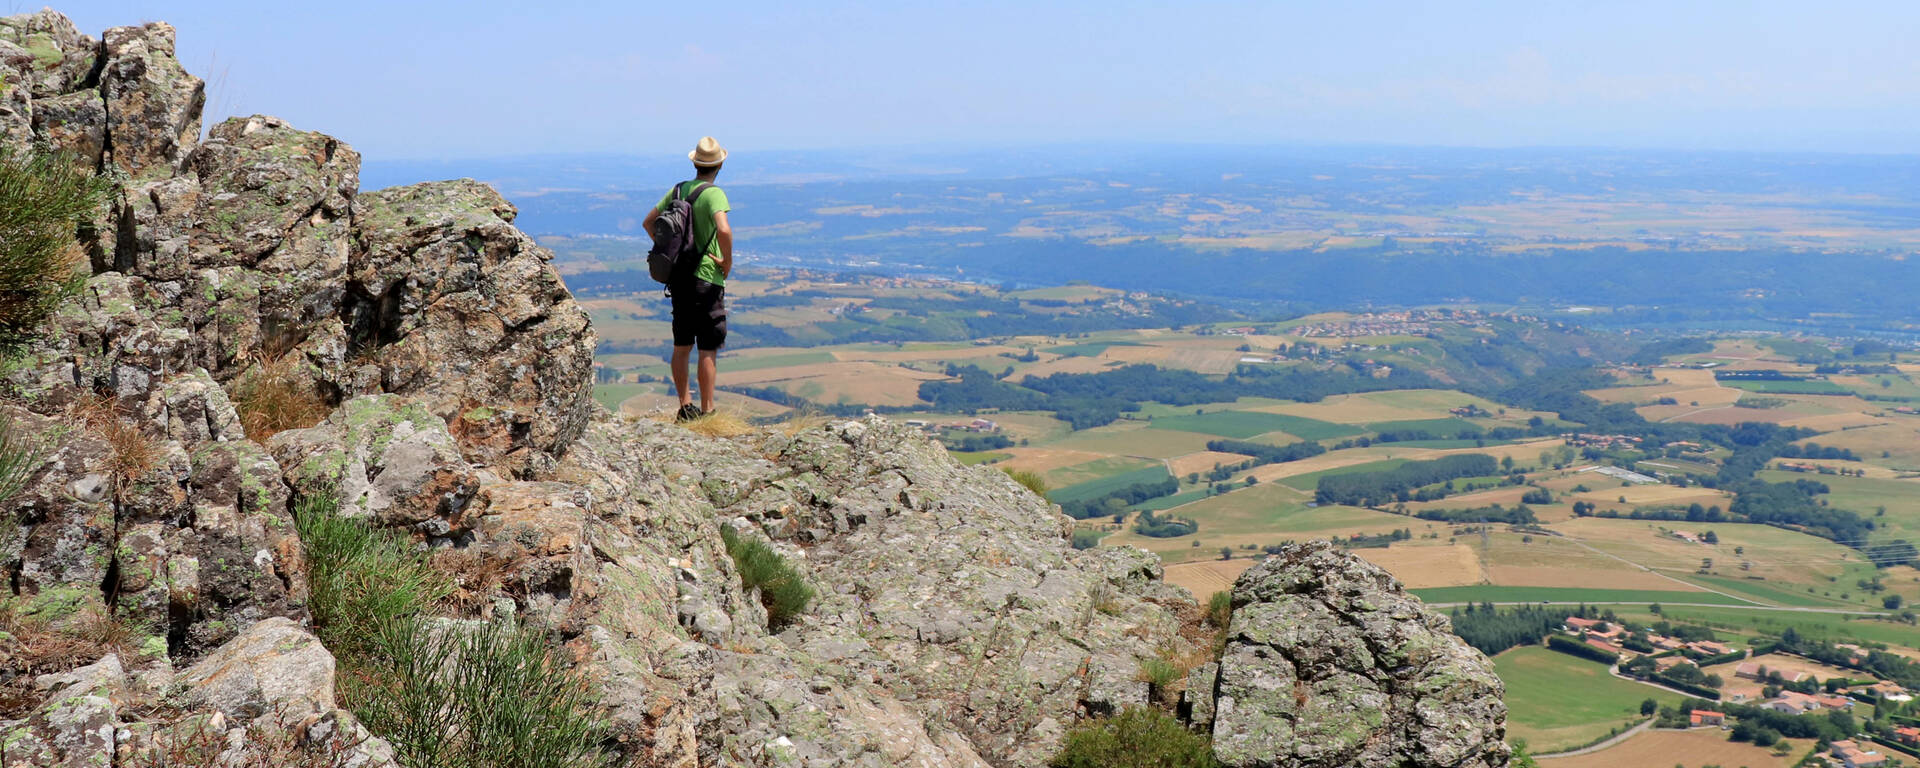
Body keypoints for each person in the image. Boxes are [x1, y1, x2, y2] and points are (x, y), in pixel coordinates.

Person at [643, 136, 733, 422]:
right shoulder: (714, 193)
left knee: (682, 345)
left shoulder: (679, 190)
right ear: (718, 165)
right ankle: (708, 412)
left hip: (680, 278)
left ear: (695, 163)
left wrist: (670, 255)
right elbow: (724, 230)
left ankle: (685, 407)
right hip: (707, 278)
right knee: (708, 346)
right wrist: (726, 261)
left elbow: (649, 222)